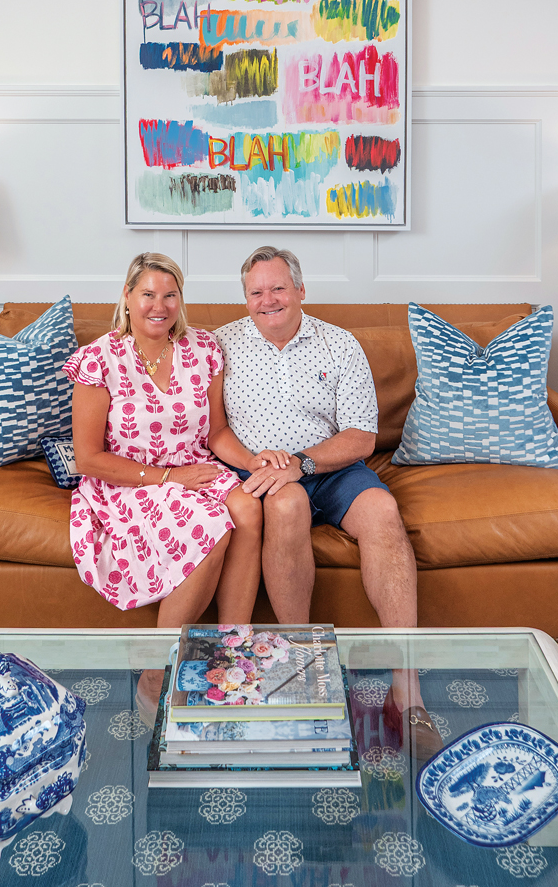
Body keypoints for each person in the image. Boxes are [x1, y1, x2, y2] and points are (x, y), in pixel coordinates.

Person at [211, 245, 443, 760]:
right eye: (256, 292)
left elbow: (361, 436)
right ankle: (305, 668)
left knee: (383, 511)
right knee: (287, 504)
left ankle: (407, 691)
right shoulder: (220, 345)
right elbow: (214, 430)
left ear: (300, 289)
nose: (268, 299)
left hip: (330, 467)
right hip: (261, 473)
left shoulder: (339, 344)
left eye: (278, 288)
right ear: (245, 298)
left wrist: (302, 462)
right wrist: (262, 464)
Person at [65, 251, 268, 628]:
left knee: (248, 508)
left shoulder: (204, 348)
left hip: (196, 469)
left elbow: (217, 432)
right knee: (211, 523)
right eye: (148, 295)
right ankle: (163, 658)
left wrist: (252, 462)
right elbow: (88, 458)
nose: (159, 306)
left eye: (170, 295)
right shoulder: (99, 359)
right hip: (129, 480)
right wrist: (170, 478)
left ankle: (233, 642)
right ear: (127, 296)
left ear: (180, 299)